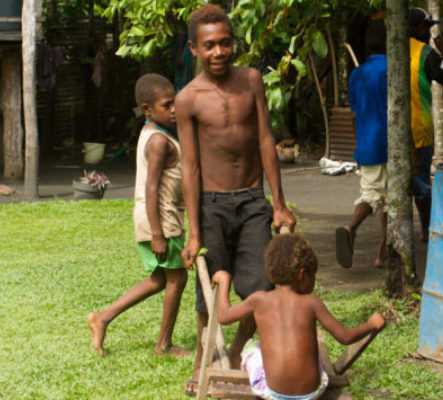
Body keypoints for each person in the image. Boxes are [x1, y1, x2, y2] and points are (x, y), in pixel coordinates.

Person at [175, 4, 296, 395]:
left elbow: (265, 140)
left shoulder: (251, 80)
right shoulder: (187, 99)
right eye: (209, 46)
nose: (218, 52)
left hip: (252, 202)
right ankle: (202, 357)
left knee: (262, 286)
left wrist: (278, 202)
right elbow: (190, 168)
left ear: (233, 43)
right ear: (194, 48)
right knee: (207, 292)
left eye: (225, 43)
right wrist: (194, 233)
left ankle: (237, 352)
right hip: (210, 203)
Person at [87, 73, 190, 357]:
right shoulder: (158, 141)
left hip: (152, 216)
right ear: (147, 109)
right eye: (166, 105)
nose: (174, 110)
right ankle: (164, 346)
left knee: (160, 279)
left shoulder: (153, 134)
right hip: (161, 219)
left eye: (175, 103)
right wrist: (158, 234)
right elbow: (152, 187)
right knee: (177, 278)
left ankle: (103, 317)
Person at [212, 234, 386, 400]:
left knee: (251, 347)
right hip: (311, 393)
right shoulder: (312, 303)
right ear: (302, 274)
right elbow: (345, 337)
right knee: (312, 350)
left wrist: (225, 280)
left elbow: (224, 316)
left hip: (273, 392)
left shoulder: (259, 300)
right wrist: (371, 324)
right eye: (313, 275)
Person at [335, 21, 388, 269]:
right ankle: (352, 227)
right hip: (387, 143)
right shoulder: (393, 69)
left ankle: (383, 250)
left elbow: (355, 113)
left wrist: (358, 147)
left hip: (366, 143)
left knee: (384, 196)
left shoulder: (357, 74)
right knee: (377, 197)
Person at [409, 7, 443, 242]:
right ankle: (426, 232)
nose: (428, 31)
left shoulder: (392, 51)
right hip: (419, 130)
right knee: (421, 184)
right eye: (426, 27)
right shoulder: (426, 54)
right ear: (419, 28)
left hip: (392, 130)